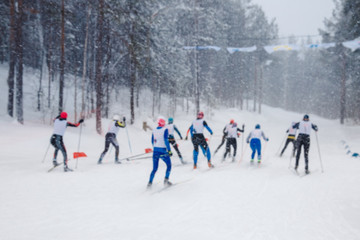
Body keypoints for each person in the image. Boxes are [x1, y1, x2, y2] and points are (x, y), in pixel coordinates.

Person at [148, 117, 173, 187]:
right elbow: (166, 141)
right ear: (163, 124)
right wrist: (169, 151)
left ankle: (149, 183)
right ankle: (166, 181)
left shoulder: (154, 130)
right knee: (169, 165)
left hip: (155, 151)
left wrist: (155, 148)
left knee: (154, 169)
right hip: (163, 151)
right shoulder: (165, 130)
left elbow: (152, 141)